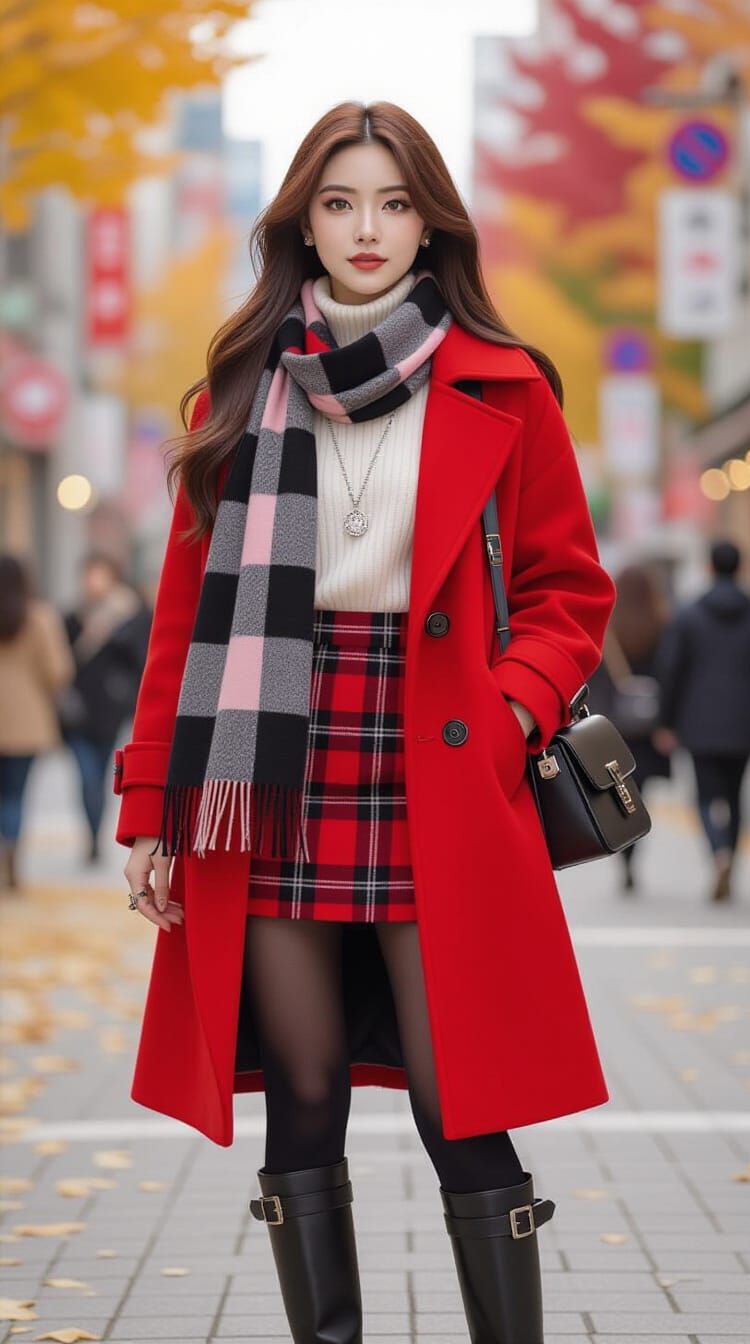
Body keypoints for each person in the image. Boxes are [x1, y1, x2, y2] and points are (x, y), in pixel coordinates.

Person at [114, 102, 617, 1344]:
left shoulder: (505, 388)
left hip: (441, 757)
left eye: (394, 203)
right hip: (265, 759)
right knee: (301, 1087)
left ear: (432, 224)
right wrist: (149, 810)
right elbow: (181, 627)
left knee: (464, 1099)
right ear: (301, 223)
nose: (368, 228)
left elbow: (568, 595)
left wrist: (508, 715)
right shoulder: (234, 393)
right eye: (340, 203)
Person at [654, 539, 750, 903]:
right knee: (736, 796)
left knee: (704, 797)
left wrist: (665, 720)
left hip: (697, 721)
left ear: (709, 568)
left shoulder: (689, 615)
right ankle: (730, 857)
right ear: (741, 568)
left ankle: (717, 853)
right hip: (744, 721)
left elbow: (671, 670)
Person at [61, 551, 151, 865]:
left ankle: (95, 836)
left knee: (100, 775)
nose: (93, 581)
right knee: (86, 776)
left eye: (99, 574)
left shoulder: (130, 615)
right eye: (89, 574)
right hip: (77, 711)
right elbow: (62, 662)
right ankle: (91, 835)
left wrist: (110, 633)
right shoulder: (72, 616)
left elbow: (140, 659)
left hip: (111, 709)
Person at [587, 564, 672, 893]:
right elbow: (669, 671)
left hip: (613, 725)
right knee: (641, 792)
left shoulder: (609, 628)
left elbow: (593, 674)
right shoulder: (662, 624)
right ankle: (635, 850)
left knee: (617, 791)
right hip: (648, 725)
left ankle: (625, 857)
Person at [0, 553, 75, 892]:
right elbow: (58, 671)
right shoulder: (39, 617)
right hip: (26, 721)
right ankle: (12, 860)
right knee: (15, 795)